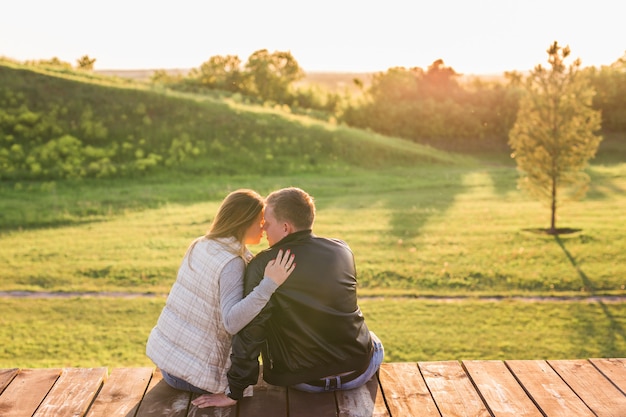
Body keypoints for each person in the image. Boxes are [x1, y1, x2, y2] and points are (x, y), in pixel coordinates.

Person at [192, 187, 383, 408]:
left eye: (268, 222)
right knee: (372, 340)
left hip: (304, 379)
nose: (263, 227)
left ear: (285, 227)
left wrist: (234, 392)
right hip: (359, 370)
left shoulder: (265, 265)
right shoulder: (342, 249)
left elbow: (251, 333)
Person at [145, 189, 295, 395]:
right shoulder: (232, 263)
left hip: (170, 364)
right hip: (195, 378)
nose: (264, 226)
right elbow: (231, 322)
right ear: (244, 222)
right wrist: (269, 284)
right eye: (260, 221)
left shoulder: (201, 243)